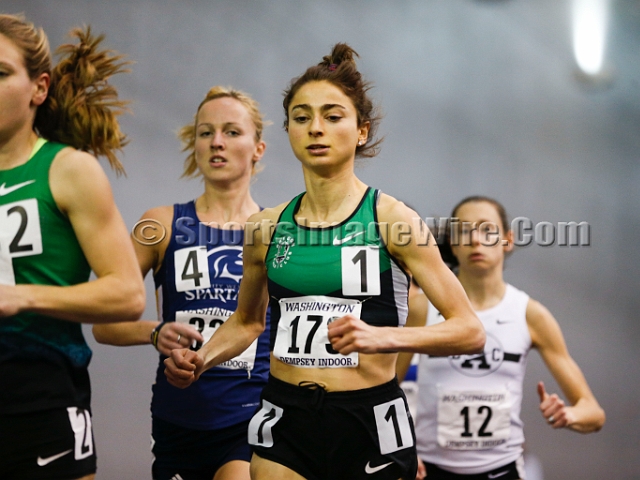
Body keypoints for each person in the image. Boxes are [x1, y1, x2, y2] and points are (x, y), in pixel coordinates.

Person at [163, 43, 486, 480]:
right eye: (301, 118)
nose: (316, 128)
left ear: (361, 131)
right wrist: (203, 359)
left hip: (368, 419)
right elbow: (246, 323)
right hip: (286, 417)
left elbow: (469, 330)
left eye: (332, 117)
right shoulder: (265, 227)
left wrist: (382, 338)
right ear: (289, 131)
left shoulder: (391, 219)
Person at [92, 86, 272, 480]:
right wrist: (155, 333)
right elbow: (103, 324)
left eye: (232, 132)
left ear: (258, 148)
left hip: (251, 415)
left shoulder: (276, 230)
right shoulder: (161, 224)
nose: (217, 142)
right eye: (205, 132)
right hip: (180, 418)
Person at [0, 14, 145, 480]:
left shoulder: (67, 170)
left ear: (39, 88)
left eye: (0, 74)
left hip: (37, 393)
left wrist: (22, 296)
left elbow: (127, 294)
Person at [397, 196, 606, 480]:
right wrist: (400, 447)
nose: (475, 239)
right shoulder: (423, 308)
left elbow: (593, 413)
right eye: (463, 231)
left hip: (502, 470)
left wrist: (569, 416)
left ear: (507, 239)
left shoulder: (530, 315)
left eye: (487, 229)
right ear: (453, 244)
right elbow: (384, 389)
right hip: (427, 469)